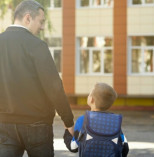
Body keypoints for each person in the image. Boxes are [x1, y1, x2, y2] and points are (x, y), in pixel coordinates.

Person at [0, 0, 74, 157]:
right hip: (37, 125)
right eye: (41, 22)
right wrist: (68, 122)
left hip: (4, 125)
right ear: (28, 18)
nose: (42, 27)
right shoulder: (36, 45)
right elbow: (54, 87)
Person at [63, 82, 129, 157]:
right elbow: (125, 147)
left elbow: (73, 147)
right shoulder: (114, 121)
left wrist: (67, 132)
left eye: (89, 94)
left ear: (91, 99)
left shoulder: (83, 120)